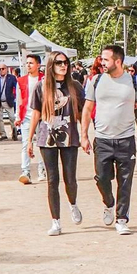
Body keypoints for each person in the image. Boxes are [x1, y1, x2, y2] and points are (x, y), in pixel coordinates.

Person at [81, 44, 137, 235]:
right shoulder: (96, 80)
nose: (102, 62)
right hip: (102, 139)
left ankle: (121, 218)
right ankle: (109, 202)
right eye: (102, 59)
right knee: (102, 178)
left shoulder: (134, 82)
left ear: (118, 61)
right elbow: (87, 108)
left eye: (106, 59)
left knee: (125, 181)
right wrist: (84, 135)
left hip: (126, 139)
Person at [29, 51, 84, 236]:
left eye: (66, 62)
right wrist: (29, 140)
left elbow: (84, 111)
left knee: (70, 178)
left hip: (69, 136)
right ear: (51, 65)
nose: (63, 65)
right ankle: (56, 221)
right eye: (59, 62)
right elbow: (35, 113)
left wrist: (84, 135)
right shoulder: (41, 87)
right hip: (46, 137)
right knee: (52, 180)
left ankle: (73, 203)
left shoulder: (74, 85)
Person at [18, 53, 44, 185]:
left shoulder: (44, 80)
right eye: (27, 63)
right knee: (25, 144)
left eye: (31, 63)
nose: (28, 65)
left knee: (41, 144)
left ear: (38, 65)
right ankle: (25, 171)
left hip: (42, 117)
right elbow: (19, 99)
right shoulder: (21, 80)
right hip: (26, 116)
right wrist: (18, 116)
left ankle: (42, 169)